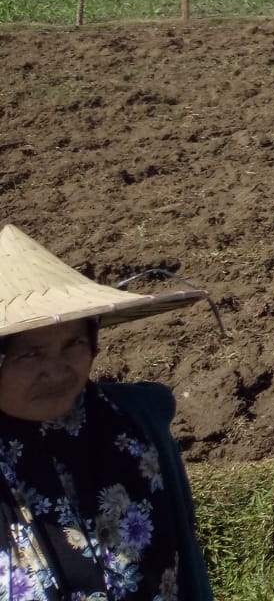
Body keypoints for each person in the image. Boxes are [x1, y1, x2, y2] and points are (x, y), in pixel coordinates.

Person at [0, 225, 214, 601]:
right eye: (30, 353)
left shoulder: (134, 421)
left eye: (74, 344)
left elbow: (185, 555)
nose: (58, 370)